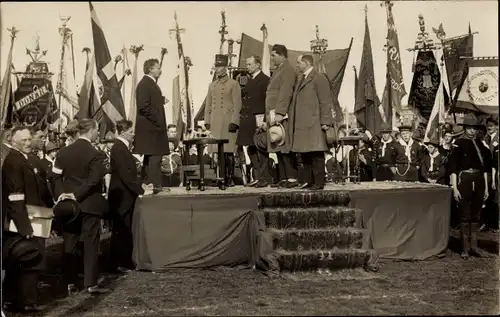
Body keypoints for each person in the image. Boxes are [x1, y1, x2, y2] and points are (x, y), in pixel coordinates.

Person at [52, 119, 110, 294]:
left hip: (69, 207)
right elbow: (93, 181)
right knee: (91, 243)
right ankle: (90, 282)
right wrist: (76, 194)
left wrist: (63, 195)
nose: (98, 134)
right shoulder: (97, 154)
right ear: (91, 131)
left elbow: (54, 176)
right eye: (97, 130)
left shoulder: (63, 152)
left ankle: (70, 282)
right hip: (90, 204)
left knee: (70, 242)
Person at [2, 126, 47, 312]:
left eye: (29, 139)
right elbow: (15, 196)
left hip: (29, 216)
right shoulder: (14, 161)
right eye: (24, 141)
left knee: (19, 260)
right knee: (29, 259)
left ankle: (14, 299)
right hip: (24, 220)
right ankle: (27, 301)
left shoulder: (22, 158)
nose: (28, 143)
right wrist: (25, 227)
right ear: (14, 142)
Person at [108, 120, 152, 273]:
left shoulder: (121, 148)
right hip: (122, 197)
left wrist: (141, 186)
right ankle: (119, 263)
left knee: (124, 229)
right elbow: (126, 175)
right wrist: (141, 190)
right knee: (121, 230)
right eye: (131, 131)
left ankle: (123, 261)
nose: (134, 134)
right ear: (124, 132)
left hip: (125, 195)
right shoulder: (119, 149)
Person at [447, 114, 491, 259]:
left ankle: (474, 247)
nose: (472, 131)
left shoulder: (480, 144)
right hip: (464, 180)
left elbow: (484, 168)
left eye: (474, 128)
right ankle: (465, 248)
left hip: (478, 180)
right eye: (469, 128)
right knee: (464, 215)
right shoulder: (458, 143)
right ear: (465, 128)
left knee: (476, 215)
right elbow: (453, 169)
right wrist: (454, 188)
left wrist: (485, 188)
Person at [288, 55, 333, 190]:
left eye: (299, 63)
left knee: (316, 153)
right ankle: (308, 181)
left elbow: (325, 101)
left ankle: (318, 182)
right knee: (304, 153)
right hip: (302, 124)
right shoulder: (301, 79)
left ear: (306, 63)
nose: (297, 65)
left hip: (314, 123)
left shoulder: (319, 78)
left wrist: (325, 121)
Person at [204, 54, 242, 187]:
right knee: (217, 151)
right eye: (216, 66)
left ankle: (229, 177)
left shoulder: (233, 84)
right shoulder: (212, 85)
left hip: (227, 122)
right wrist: (207, 120)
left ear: (225, 67)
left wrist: (235, 121)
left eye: (220, 66)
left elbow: (238, 105)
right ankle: (220, 177)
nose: (217, 69)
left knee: (228, 151)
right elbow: (208, 104)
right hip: (215, 122)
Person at [133, 58, 170, 193]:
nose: (160, 70)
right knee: (155, 157)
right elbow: (143, 106)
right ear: (150, 69)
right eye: (158, 67)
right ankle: (154, 186)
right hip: (152, 129)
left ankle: (148, 184)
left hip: (150, 129)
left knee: (150, 158)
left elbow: (148, 102)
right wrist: (158, 119)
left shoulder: (148, 84)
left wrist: (160, 100)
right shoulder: (145, 84)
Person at [265, 44, 298, 188]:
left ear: (282, 55)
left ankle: (292, 178)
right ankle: (284, 177)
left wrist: (280, 113)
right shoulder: (279, 70)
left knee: (285, 145)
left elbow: (285, 93)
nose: (271, 58)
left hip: (281, 115)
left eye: (273, 55)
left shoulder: (287, 70)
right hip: (274, 113)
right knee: (277, 144)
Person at [237, 55, 271, 188]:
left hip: (258, 119)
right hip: (248, 119)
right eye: (247, 64)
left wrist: (265, 120)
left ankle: (263, 178)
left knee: (260, 149)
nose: (247, 67)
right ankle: (257, 177)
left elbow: (267, 102)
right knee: (250, 148)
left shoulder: (265, 80)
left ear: (257, 65)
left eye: (250, 64)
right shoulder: (249, 80)